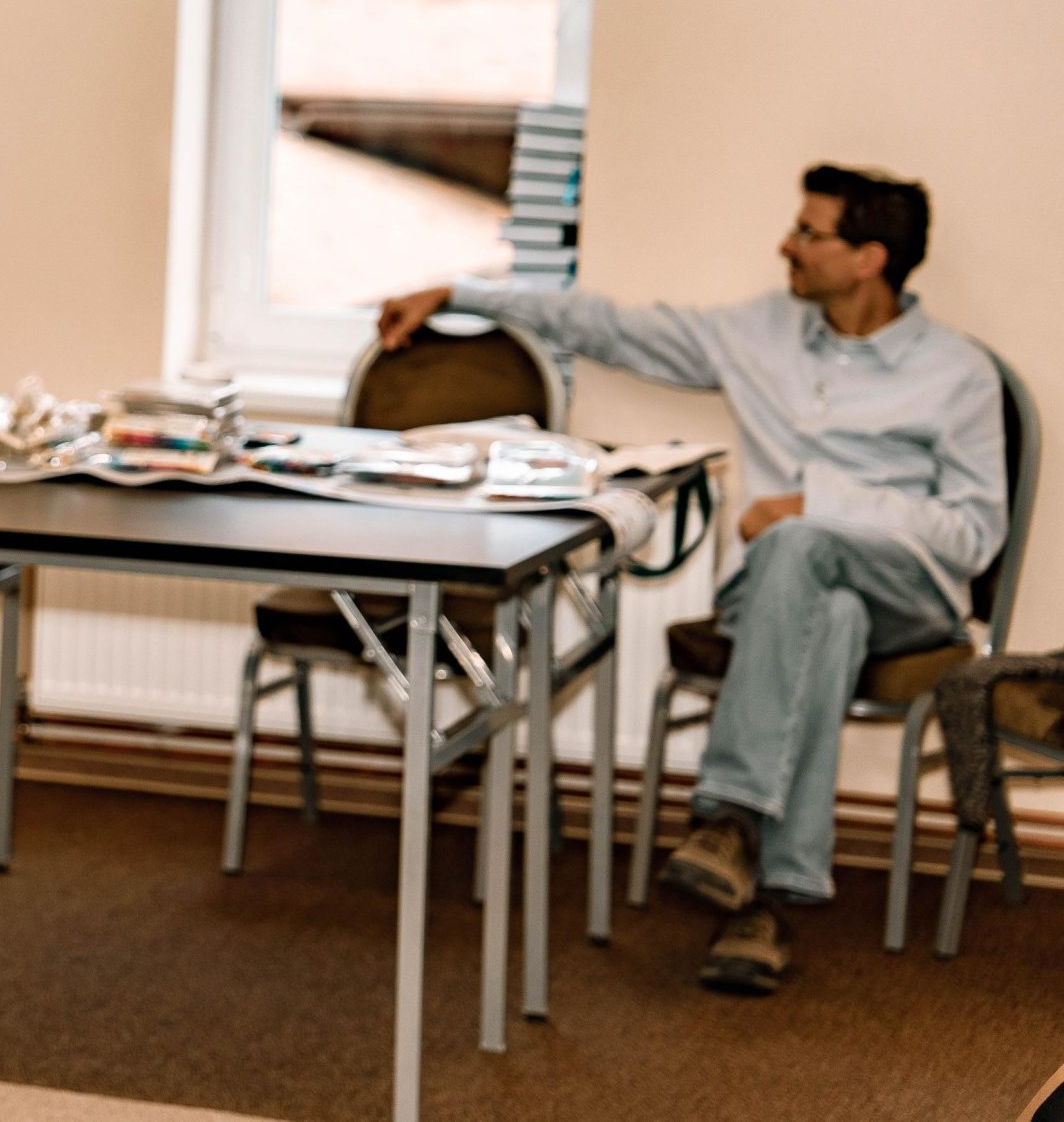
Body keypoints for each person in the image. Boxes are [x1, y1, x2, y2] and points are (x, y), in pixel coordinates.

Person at [377, 165, 1005, 996]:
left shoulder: (958, 373)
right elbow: (611, 327)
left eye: (809, 233)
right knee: (830, 612)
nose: (787, 245)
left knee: (804, 546)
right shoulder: (762, 332)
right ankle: (770, 901)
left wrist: (816, 504)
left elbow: (975, 535)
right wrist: (460, 293)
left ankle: (730, 812)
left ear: (868, 259)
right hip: (788, 591)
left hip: (911, 595)